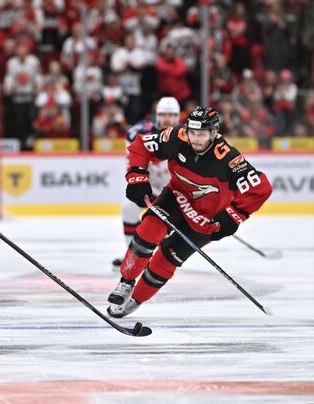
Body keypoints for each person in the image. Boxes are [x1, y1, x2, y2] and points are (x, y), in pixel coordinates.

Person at [107, 106, 273, 318]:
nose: (195, 139)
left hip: (207, 220)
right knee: (147, 231)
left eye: (201, 134)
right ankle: (126, 282)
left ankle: (137, 299)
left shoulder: (228, 159)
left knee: (166, 260)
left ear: (214, 133)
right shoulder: (176, 136)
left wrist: (233, 215)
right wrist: (137, 176)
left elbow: (261, 188)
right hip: (177, 197)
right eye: (193, 132)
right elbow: (141, 144)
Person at [112, 97, 181, 271]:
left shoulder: (186, 135)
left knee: (167, 230)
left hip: (174, 189)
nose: (167, 118)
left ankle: (160, 257)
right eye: (163, 114)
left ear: (178, 116)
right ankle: (131, 253)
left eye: (171, 114)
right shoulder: (139, 131)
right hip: (148, 185)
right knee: (128, 208)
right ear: (156, 115)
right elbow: (134, 160)